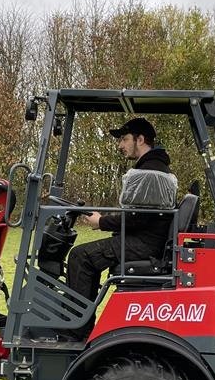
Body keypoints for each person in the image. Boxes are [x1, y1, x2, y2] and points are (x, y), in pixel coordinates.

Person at [65, 117, 176, 338]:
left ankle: (76, 332)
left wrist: (102, 222)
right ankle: (82, 325)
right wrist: (105, 220)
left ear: (141, 139)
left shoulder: (150, 173)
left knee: (80, 257)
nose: (120, 146)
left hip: (141, 244)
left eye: (125, 139)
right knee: (87, 256)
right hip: (145, 240)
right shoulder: (156, 169)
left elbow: (137, 219)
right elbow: (139, 214)